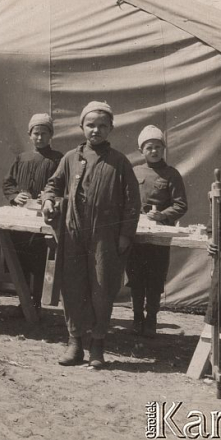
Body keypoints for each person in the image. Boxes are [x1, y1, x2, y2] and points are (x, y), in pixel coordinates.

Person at [41, 101, 140, 369]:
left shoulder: (119, 162)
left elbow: (132, 203)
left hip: (104, 238)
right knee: (73, 288)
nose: (96, 130)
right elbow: (53, 185)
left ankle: (97, 346)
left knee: (101, 289)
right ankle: (75, 344)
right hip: (73, 234)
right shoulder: (70, 158)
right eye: (90, 125)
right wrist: (49, 201)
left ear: (110, 129)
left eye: (102, 126)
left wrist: (125, 235)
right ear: (81, 127)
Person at [127, 125, 187, 337]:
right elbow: (126, 200)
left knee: (155, 278)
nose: (154, 151)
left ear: (164, 149)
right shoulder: (134, 172)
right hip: (138, 235)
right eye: (149, 147)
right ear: (141, 150)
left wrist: (162, 215)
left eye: (158, 147)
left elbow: (181, 205)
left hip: (160, 236)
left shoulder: (172, 174)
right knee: (135, 277)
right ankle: (136, 318)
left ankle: (151, 319)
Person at [2, 113, 63, 310]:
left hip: (43, 217)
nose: (40, 138)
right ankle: (23, 299)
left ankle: (36, 301)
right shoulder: (22, 158)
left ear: (51, 135)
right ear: (30, 134)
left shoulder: (57, 159)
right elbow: (8, 183)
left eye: (44, 133)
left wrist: (48, 200)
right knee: (20, 257)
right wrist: (14, 197)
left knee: (39, 259)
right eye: (36, 133)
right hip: (22, 216)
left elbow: (61, 186)